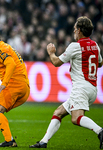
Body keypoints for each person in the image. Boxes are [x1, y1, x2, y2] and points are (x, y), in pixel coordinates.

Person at [30, 16, 103, 149]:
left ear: (79, 30)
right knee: (58, 112)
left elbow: (56, 62)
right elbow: (100, 63)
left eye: (75, 29)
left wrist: (51, 53)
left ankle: (100, 131)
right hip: (92, 88)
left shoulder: (75, 46)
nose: (74, 31)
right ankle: (43, 142)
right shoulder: (95, 45)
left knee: (76, 118)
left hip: (81, 87)